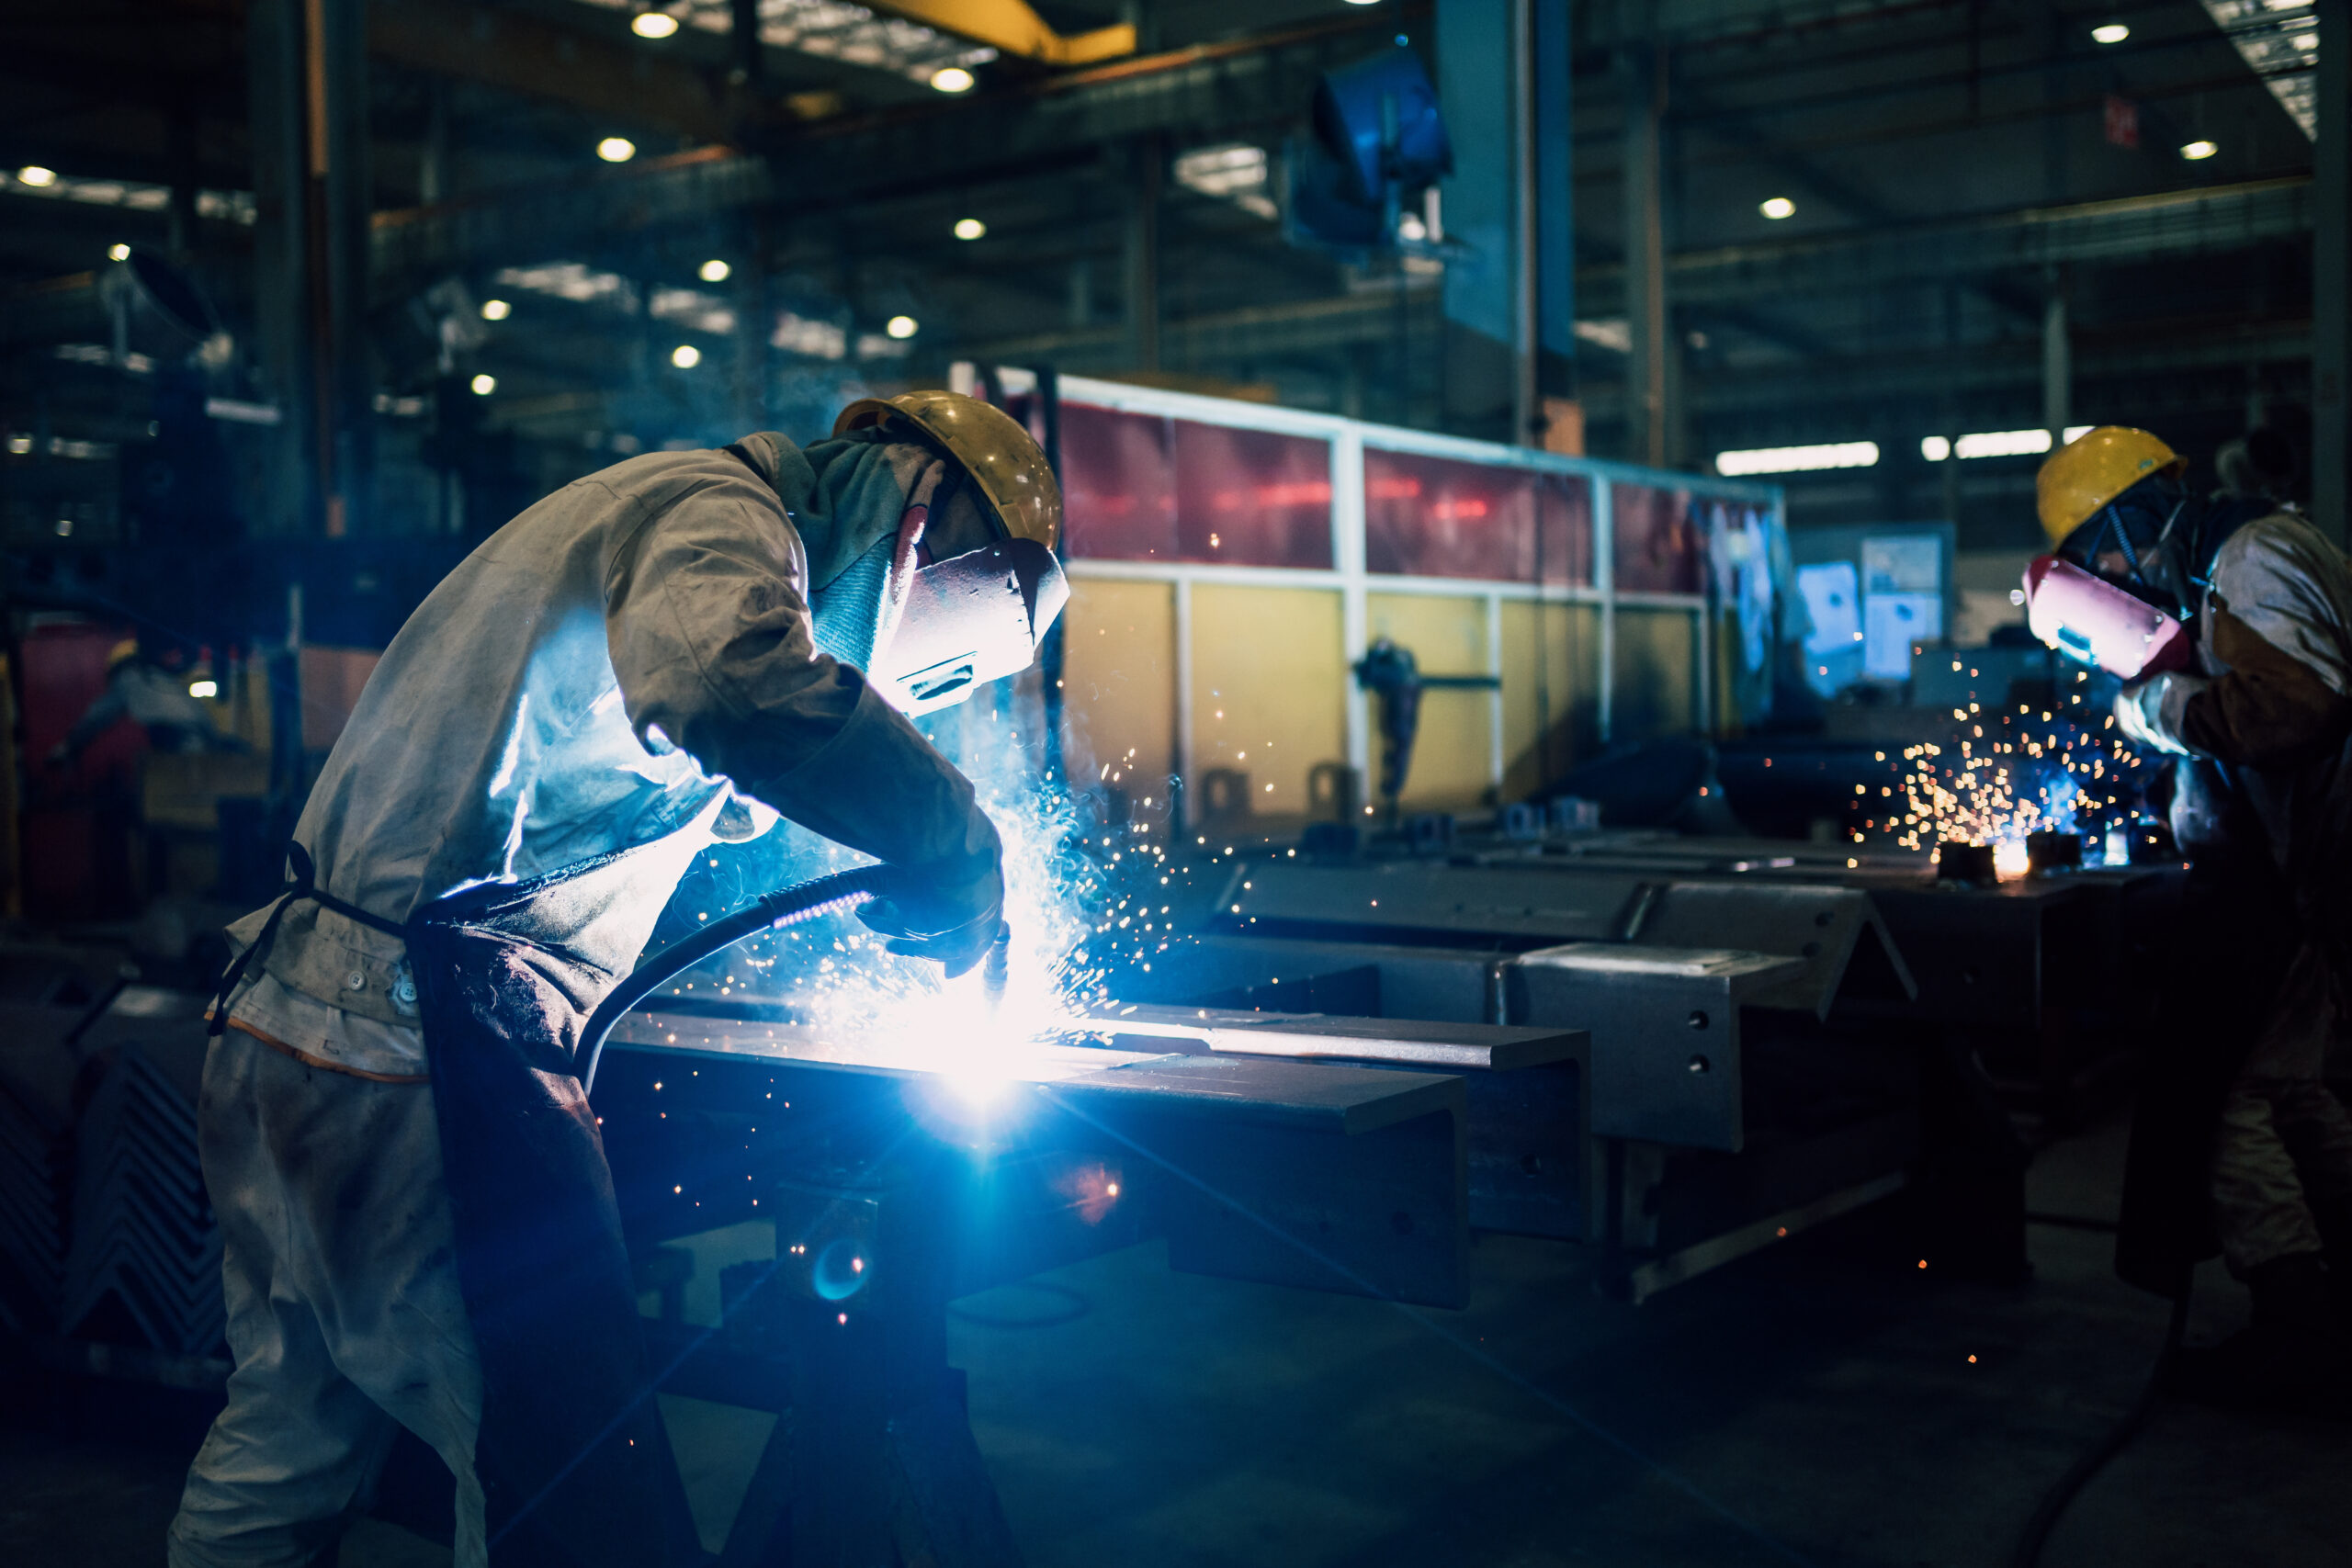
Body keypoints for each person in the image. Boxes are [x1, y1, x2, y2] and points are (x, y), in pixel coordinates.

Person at [166, 391, 1065, 1568]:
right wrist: (954, 838)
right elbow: (731, 686)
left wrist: (884, 841)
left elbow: (700, 760)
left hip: (289, 1023)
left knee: (289, 1439)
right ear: (918, 526)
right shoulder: (720, 518)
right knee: (554, 1472)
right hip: (412, 1053)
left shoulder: (652, 521)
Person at [2030, 425, 2352, 1413]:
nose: (2115, 575)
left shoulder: (2248, 556)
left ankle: (2296, 1322)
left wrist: (2157, 710)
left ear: (2131, 512)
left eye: (2106, 552)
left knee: (2224, 1104)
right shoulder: (2230, 563)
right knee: (2292, 1085)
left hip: (2308, 873)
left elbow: (2294, 711)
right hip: (2302, 871)